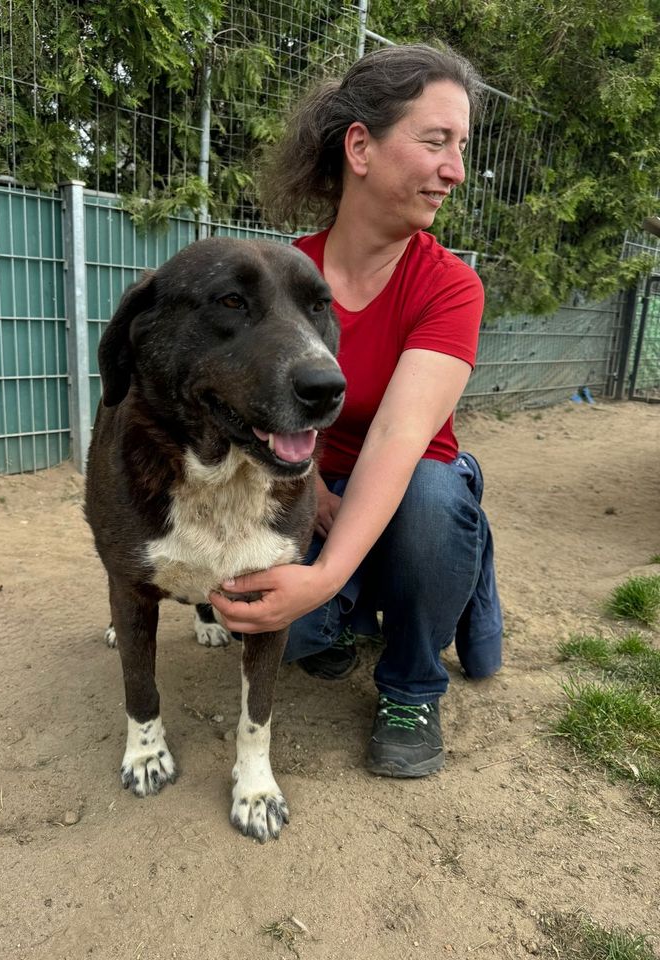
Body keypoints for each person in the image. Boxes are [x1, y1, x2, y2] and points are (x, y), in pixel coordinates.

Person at [210, 42, 503, 778]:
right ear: (361, 147)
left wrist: (325, 574)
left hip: (411, 486)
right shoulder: (276, 276)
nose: (456, 170)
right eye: (436, 141)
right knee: (300, 636)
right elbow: (238, 422)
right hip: (303, 489)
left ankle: (412, 682)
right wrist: (309, 515)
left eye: (460, 147)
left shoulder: (449, 287)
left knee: (431, 503)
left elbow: (401, 438)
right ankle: (359, 600)